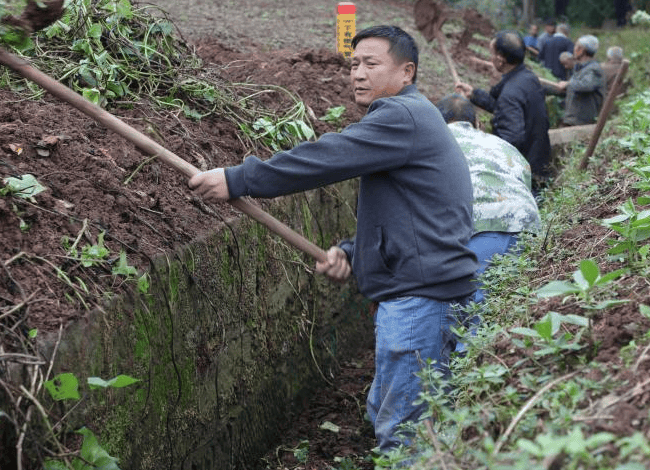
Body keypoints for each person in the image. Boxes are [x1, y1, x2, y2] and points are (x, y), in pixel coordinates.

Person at [188, 25, 478, 454]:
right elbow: (411, 218)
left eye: (371, 64)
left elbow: (328, 156)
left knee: (405, 437)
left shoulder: (401, 115)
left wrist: (237, 178)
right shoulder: (412, 119)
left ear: (406, 72)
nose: (357, 74)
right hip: (423, 296)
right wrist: (351, 251)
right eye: (354, 64)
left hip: (420, 302)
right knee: (395, 416)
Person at [435, 94, 541, 300]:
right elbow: (526, 185)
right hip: (527, 225)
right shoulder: (504, 146)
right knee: (522, 304)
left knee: (480, 314)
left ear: (436, 124)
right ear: (478, 123)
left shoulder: (433, 146)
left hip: (480, 230)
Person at [454, 30, 551, 190]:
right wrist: (474, 94)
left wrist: (482, 142)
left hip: (527, 176)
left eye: (492, 53)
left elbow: (512, 137)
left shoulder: (510, 93)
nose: (490, 58)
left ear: (500, 60)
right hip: (540, 159)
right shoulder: (527, 78)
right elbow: (506, 108)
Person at [547, 34, 606, 126]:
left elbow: (586, 85)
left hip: (581, 121)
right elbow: (572, 88)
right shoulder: (580, 68)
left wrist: (568, 84)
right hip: (572, 119)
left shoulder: (593, 69)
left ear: (581, 50)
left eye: (576, 46)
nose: (574, 49)